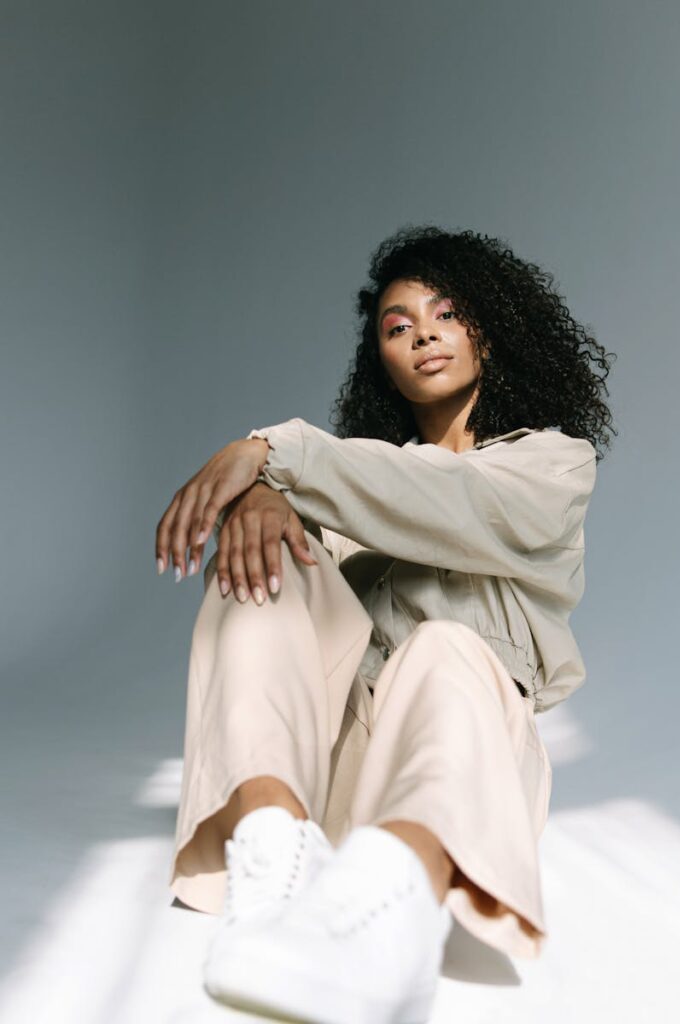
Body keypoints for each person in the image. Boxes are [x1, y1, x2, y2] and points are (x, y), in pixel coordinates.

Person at [155, 225, 616, 1023]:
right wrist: (262, 500)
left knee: (445, 647)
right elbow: (330, 533)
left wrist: (272, 455)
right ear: (383, 362)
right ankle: (271, 852)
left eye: (448, 314)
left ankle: (392, 914)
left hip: (456, 772)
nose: (424, 334)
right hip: (334, 781)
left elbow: (447, 498)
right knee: (265, 557)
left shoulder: (551, 463)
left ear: (492, 332)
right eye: (398, 327)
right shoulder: (339, 491)